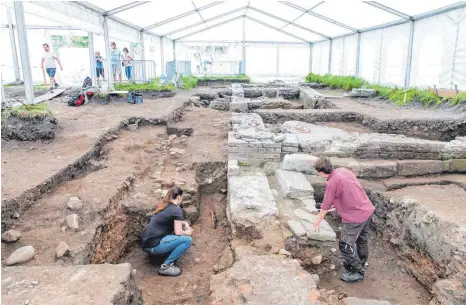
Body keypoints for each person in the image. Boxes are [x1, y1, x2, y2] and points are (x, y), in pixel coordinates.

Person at [312, 157, 375, 283]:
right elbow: (349, 189)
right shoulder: (343, 171)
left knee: (345, 245)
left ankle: (357, 272)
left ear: (321, 172)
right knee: (361, 240)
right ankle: (360, 263)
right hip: (366, 208)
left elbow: (325, 205)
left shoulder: (332, 182)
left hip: (355, 217)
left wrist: (317, 221)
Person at [140, 186, 193, 276]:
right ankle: (166, 267)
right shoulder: (177, 210)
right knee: (187, 240)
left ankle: (157, 256)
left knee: (177, 235)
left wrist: (185, 224)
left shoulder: (165, 205)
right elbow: (178, 231)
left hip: (146, 243)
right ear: (179, 197)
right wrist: (188, 232)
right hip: (153, 246)